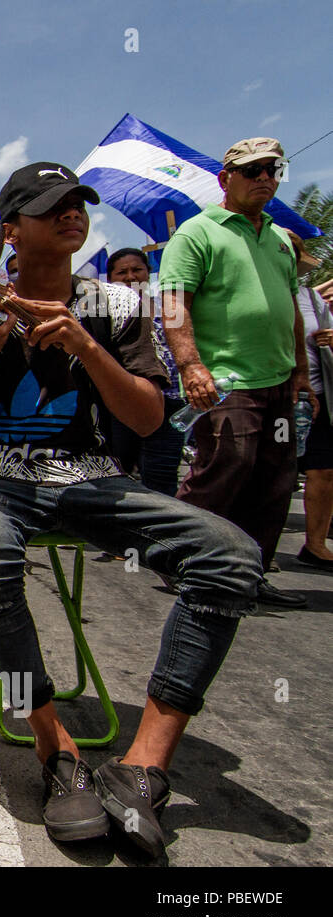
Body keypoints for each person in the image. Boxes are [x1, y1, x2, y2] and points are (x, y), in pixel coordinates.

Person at [0, 161, 261, 856]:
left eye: (78, 204)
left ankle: (144, 767)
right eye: (52, 207)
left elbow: (146, 420)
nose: (72, 215)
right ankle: (56, 748)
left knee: (231, 556)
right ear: (12, 230)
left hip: (90, 476)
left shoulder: (115, 305)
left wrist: (83, 345)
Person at [159, 137, 317, 608]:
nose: (266, 179)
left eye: (273, 170)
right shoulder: (197, 233)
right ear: (226, 179)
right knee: (224, 468)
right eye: (253, 171)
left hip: (280, 382)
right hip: (226, 382)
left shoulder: (280, 240)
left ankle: (249, 575)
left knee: (276, 481)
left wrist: (302, 373)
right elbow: (173, 304)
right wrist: (190, 366)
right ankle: (181, 560)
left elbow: (290, 309)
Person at [103, 247, 186, 496]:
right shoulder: (99, 312)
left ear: (148, 273)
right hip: (121, 403)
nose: (130, 276)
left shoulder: (168, 307)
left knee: (162, 474)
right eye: (122, 272)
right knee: (118, 471)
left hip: (170, 403)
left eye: (137, 269)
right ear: (110, 279)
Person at [289, 231, 333, 571]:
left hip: (317, 398)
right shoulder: (253, 293)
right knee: (273, 475)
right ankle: (259, 547)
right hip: (274, 395)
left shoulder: (313, 300)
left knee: (324, 470)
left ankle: (315, 544)